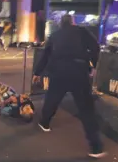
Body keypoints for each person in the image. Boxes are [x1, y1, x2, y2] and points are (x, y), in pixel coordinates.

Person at [32, 14, 106, 158]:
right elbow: (95, 47)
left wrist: (37, 72)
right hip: (79, 71)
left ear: (61, 24)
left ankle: (45, 123)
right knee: (86, 109)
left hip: (59, 71)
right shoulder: (82, 31)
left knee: (52, 99)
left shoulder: (54, 35)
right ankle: (96, 147)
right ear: (72, 22)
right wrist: (93, 65)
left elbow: (45, 56)